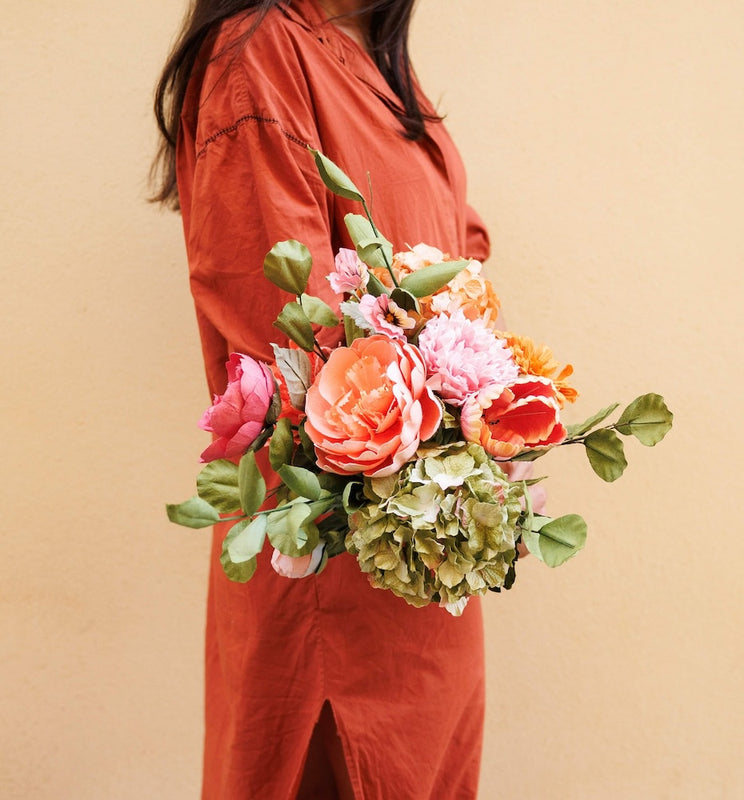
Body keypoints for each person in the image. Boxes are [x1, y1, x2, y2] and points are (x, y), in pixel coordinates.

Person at [152, 1, 492, 797]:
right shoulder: (259, 52)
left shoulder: (373, 54)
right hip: (336, 555)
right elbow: (290, 324)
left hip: (427, 562)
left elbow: (461, 250)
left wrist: (485, 395)